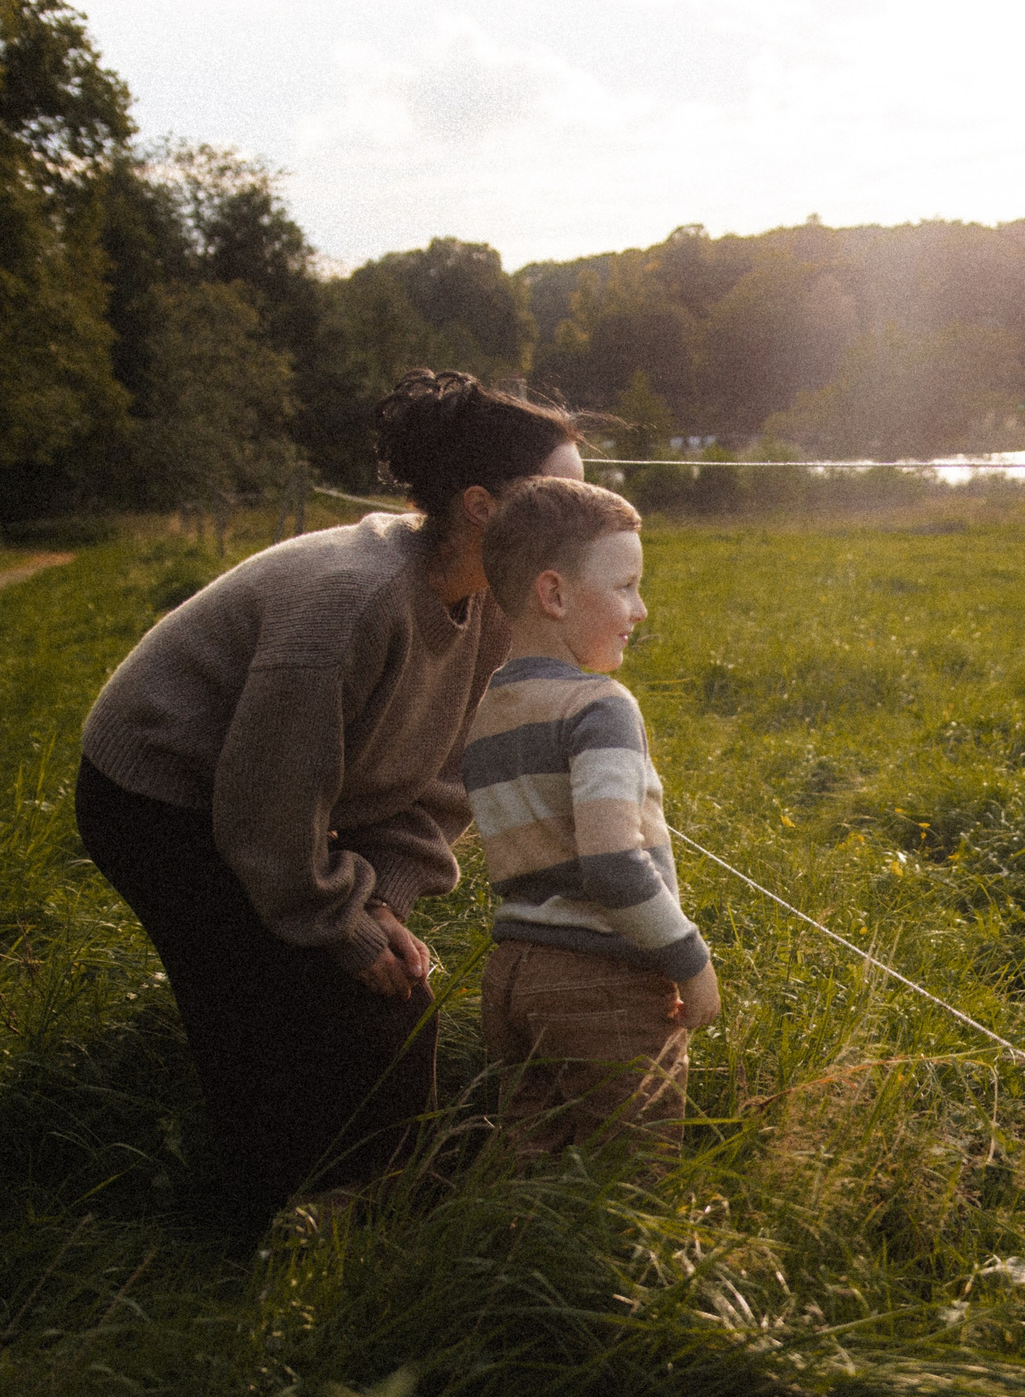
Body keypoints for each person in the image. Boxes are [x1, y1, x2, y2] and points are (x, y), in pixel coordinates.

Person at [76, 370, 587, 1231]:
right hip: (156, 795)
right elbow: (262, 813)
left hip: (276, 804)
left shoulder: (494, 611)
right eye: (563, 500)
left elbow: (439, 784)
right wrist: (337, 922)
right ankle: (258, 1225)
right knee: (267, 998)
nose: (589, 521)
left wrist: (382, 899)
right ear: (483, 507)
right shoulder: (352, 602)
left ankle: (385, 1205)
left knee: (386, 994)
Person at [462, 476, 720, 1167]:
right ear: (554, 594)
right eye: (626, 586)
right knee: (633, 1176)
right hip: (603, 981)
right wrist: (690, 960)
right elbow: (610, 864)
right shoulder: (601, 705)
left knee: (529, 1162)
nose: (641, 609)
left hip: (513, 975)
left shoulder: (488, 713)